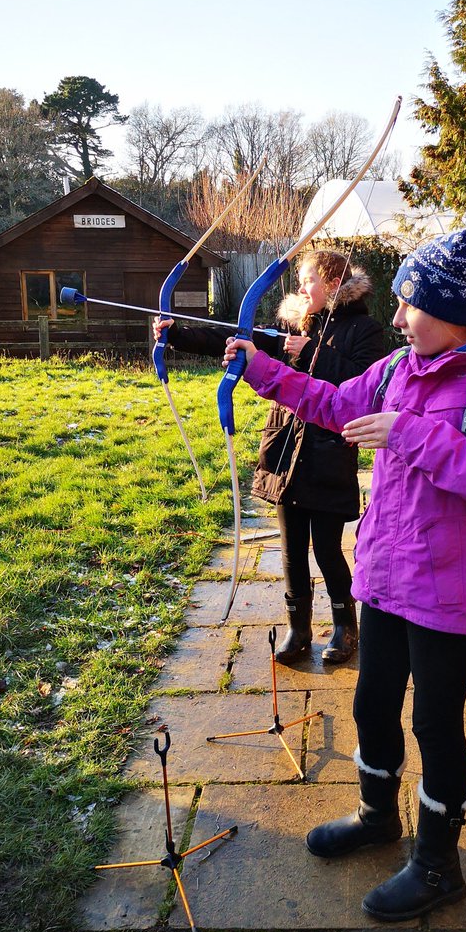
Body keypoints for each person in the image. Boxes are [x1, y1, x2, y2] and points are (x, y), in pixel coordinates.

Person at [222, 205, 466, 922]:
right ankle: (377, 816)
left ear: (452, 314)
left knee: (435, 723)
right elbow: (334, 404)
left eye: (410, 306)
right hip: (390, 575)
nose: (397, 320)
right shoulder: (401, 365)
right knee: (371, 702)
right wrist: (261, 370)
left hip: (452, 589)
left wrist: (409, 433)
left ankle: (438, 866)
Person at [154, 249, 384, 663]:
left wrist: (310, 351)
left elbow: (361, 386)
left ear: (333, 284)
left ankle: (345, 628)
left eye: (309, 280)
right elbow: (239, 338)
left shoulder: (365, 330)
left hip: (329, 455)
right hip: (285, 450)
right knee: (292, 549)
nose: (301, 287)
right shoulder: (293, 323)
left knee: (327, 549)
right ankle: (299, 628)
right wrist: (178, 334)